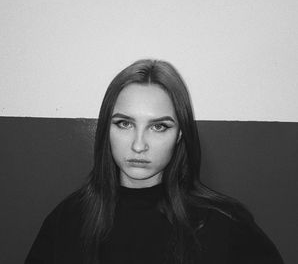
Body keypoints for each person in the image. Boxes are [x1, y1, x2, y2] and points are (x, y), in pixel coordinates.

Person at [25, 59, 284, 264]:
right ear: (107, 128)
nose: (139, 145)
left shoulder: (224, 223)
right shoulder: (67, 221)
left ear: (180, 133)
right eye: (124, 123)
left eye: (158, 126)